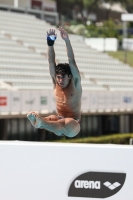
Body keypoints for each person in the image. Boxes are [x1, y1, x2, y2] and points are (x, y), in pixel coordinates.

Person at [27, 26, 82, 137]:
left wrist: (67, 41)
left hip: (73, 125)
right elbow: (51, 61)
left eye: (63, 77)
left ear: (70, 76)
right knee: (50, 118)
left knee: (65, 123)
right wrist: (50, 44)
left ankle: (41, 123)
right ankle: (41, 122)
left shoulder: (75, 82)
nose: (60, 80)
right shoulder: (55, 81)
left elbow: (71, 60)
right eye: (58, 77)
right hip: (58, 121)